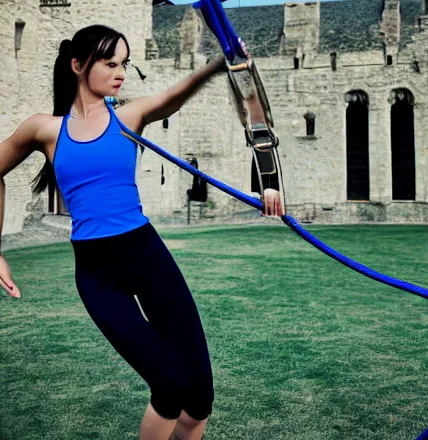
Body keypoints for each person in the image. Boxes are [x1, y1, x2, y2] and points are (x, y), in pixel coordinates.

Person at [0, 24, 280, 440]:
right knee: (169, 385)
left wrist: (220, 65)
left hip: (147, 256)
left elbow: (173, 96)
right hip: (98, 274)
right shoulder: (45, 129)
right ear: (78, 65)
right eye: (110, 63)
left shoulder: (128, 117)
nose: (121, 72)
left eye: (125, 64)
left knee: (199, 400)